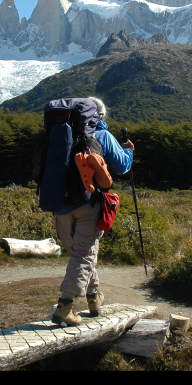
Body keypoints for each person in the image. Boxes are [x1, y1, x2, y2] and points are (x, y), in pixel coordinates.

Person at [51, 96, 135, 326]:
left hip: (60, 205)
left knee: (81, 254)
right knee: (83, 255)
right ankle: (64, 307)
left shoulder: (59, 133)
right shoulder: (103, 135)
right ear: (100, 116)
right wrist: (128, 151)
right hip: (89, 204)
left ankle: (94, 298)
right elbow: (121, 166)